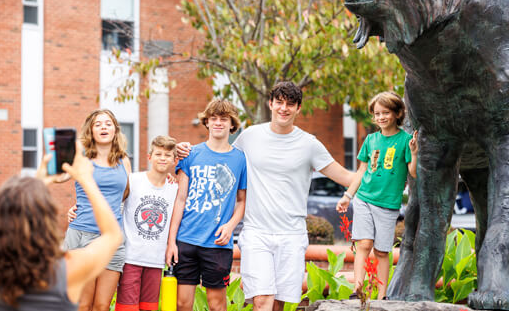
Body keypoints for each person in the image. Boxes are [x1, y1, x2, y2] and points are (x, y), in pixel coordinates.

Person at [176, 82, 354, 311]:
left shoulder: (310, 144)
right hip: (256, 232)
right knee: (261, 301)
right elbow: (219, 155)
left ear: (298, 108)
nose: (284, 108)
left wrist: (376, 165)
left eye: (290, 104)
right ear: (270, 104)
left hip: (291, 234)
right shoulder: (250, 137)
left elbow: (346, 177)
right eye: (279, 102)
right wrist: (182, 153)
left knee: (278, 303)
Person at [0, 142, 123, 311]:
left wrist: (39, 182)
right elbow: (112, 236)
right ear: (46, 222)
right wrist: (86, 179)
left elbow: (22, 210)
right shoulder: (65, 270)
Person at [166, 99, 247, 311]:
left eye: (224, 119)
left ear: (232, 124)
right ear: (207, 123)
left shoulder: (240, 159)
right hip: (186, 240)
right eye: (213, 119)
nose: (218, 122)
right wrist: (171, 241)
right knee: (182, 304)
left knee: (217, 305)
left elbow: (241, 202)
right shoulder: (190, 154)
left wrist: (230, 226)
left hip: (217, 245)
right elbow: (180, 200)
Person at [336, 91, 418, 300]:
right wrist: (348, 195)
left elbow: (413, 173)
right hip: (364, 199)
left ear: (397, 113)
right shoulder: (371, 140)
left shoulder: (405, 140)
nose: (381, 117)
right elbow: (361, 171)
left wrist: (415, 152)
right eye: (377, 113)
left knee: (382, 251)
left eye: (386, 113)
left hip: (388, 204)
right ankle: (358, 290)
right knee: (363, 244)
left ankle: (382, 296)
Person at [63, 109, 131, 311]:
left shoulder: (124, 161)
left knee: (102, 305)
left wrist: (168, 181)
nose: (103, 127)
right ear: (91, 130)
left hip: (112, 241)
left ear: (115, 130)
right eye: (98, 124)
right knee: (83, 305)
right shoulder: (81, 159)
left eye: (108, 123)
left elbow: (126, 193)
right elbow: (60, 177)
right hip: (82, 236)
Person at [115, 135, 179, 311]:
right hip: (130, 258)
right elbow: (111, 200)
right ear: (149, 157)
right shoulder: (133, 180)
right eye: (158, 154)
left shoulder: (175, 189)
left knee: (148, 308)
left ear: (175, 160)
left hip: (156, 260)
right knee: (126, 308)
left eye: (167, 155)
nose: (163, 158)